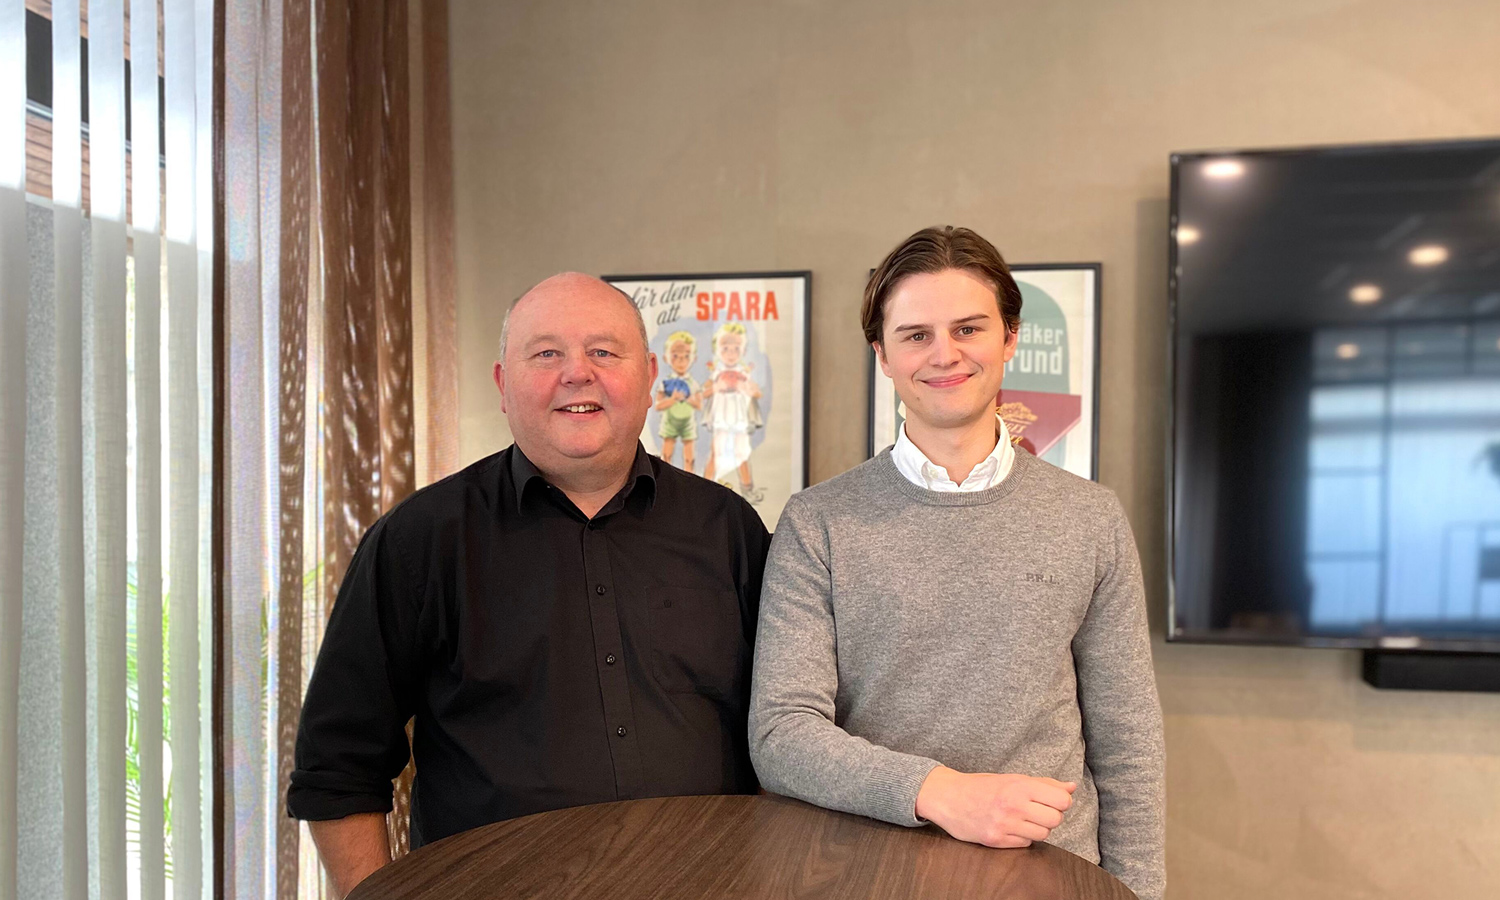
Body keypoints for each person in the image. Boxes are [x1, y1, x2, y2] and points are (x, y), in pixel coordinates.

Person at [289, 273, 770, 897]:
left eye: (604, 351)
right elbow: (337, 764)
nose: (577, 373)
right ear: (502, 385)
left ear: (650, 376)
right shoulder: (419, 540)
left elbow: (782, 731)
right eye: (546, 354)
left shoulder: (727, 528)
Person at [748, 227, 1165, 899]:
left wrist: (1138, 892)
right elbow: (781, 735)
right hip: (866, 874)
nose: (944, 355)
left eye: (968, 328)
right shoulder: (817, 522)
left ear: (1010, 338)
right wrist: (943, 794)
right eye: (915, 335)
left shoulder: (1090, 518)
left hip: (1054, 875)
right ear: (882, 355)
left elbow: (1128, 738)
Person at [700, 322, 764, 503]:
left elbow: (757, 392)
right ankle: (704, 488)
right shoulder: (717, 373)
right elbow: (704, 393)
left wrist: (744, 387)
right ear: (718, 351)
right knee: (716, 452)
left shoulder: (744, 373)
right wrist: (718, 386)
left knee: (742, 453)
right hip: (721, 418)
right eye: (726, 349)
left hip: (739, 419)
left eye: (736, 349)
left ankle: (747, 488)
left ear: (743, 351)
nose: (730, 354)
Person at [654, 330, 702, 472]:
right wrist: (673, 399)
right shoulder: (665, 383)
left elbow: (699, 405)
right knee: (667, 454)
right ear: (666, 358)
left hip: (688, 423)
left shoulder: (693, 384)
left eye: (686, 356)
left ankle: (690, 481)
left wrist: (688, 398)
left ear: (693, 358)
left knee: (689, 455)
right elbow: (658, 405)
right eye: (676, 356)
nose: (681, 361)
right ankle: (665, 481)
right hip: (669, 422)